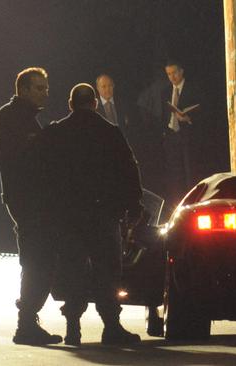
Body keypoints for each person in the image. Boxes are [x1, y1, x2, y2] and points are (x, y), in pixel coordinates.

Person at [43, 83, 143, 346]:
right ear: (95, 104)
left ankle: (73, 327)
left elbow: (43, 174)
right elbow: (129, 170)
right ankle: (111, 325)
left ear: (71, 104)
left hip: (68, 215)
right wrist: (133, 205)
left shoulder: (56, 132)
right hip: (103, 213)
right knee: (107, 270)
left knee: (72, 268)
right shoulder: (110, 132)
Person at [0, 67, 62, 345]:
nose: (45, 92)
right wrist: (41, 144)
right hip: (26, 200)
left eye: (46, 87)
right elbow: (7, 158)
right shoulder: (10, 116)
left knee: (40, 258)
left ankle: (28, 321)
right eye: (40, 88)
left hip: (33, 199)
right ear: (24, 90)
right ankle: (26, 324)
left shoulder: (26, 118)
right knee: (36, 259)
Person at [137, 59, 202, 209]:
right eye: (168, 74)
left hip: (188, 136)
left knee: (189, 171)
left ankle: (193, 204)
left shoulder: (192, 88)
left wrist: (188, 118)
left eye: (174, 73)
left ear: (181, 71)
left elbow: (202, 111)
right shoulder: (166, 91)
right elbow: (163, 114)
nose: (172, 77)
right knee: (175, 174)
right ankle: (177, 205)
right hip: (171, 135)